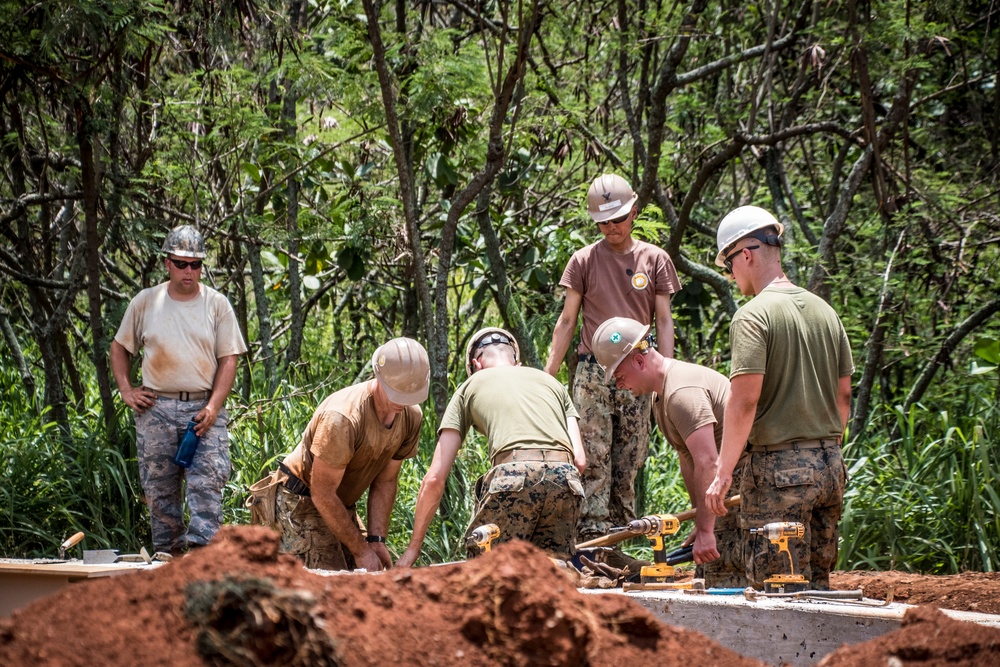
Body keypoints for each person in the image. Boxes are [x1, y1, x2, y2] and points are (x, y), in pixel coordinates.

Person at [705, 206, 853, 590]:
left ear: (747, 254)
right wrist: (824, 452)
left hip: (779, 474)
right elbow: (843, 397)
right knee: (818, 586)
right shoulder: (826, 312)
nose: (730, 274)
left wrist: (723, 474)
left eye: (729, 264)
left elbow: (745, 401)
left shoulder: (754, 316)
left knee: (777, 588)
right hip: (830, 467)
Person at [544, 173, 681, 541]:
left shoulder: (655, 259)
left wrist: (666, 379)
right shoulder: (583, 260)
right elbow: (567, 319)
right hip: (593, 370)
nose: (610, 227)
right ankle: (591, 539)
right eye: (602, 221)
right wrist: (547, 377)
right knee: (591, 455)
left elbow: (664, 321)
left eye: (617, 218)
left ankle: (622, 538)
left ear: (634, 212)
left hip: (638, 368)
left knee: (629, 458)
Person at [397, 327, 586, 567]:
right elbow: (579, 460)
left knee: (485, 571)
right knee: (549, 576)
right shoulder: (553, 384)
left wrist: (412, 549)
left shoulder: (471, 386)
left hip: (514, 477)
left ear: (476, 365)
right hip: (566, 479)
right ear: (516, 362)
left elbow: (435, 478)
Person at [110, 225, 247, 555]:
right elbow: (119, 348)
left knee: (206, 486)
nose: (189, 271)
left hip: (202, 409)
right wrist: (127, 391)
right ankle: (166, 564)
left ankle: (203, 561)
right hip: (156, 407)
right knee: (160, 494)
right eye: (182, 263)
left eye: (196, 264)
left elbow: (229, 359)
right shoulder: (146, 301)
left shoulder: (216, 304)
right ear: (167, 263)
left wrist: (214, 406)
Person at [590, 316, 747, 588]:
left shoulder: (681, 392)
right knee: (709, 578)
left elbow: (708, 461)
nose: (619, 384)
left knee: (725, 579)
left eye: (619, 375)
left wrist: (708, 530)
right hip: (721, 492)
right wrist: (700, 518)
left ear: (639, 361)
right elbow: (687, 458)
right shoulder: (659, 396)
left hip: (740, 486)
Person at [272, 337, 429, 572]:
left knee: (370, 575)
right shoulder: (343, 418)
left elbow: (386, 481)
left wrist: (375, 542)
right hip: (300, 500)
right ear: (379, 376)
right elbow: (322, 492)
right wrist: (361, 550)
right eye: (396, 394)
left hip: (338, 503)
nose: (402, 403)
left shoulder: (411, 417)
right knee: (331, 582)